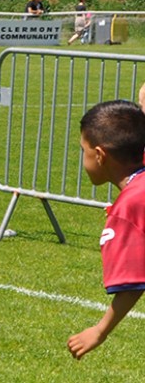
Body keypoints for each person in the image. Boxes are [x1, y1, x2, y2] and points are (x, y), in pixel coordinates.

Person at [66, 100, 145, 360]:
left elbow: (133, 283)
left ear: (99, 155)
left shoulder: (131, 205)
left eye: (84, 151)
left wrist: (100, 330)